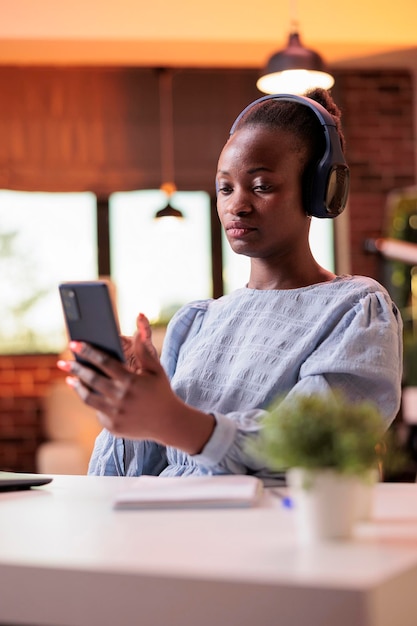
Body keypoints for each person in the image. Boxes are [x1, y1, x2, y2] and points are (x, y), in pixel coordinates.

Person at [58, 88, 403, 480]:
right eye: (225, 188)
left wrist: (172, 418)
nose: (236, 204)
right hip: (165, 532)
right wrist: (128, 406)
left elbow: (314, 447)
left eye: (261, 186)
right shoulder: (196, 322)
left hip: (271, 530)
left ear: (318, 192)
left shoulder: (356, 309)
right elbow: (123, 479)